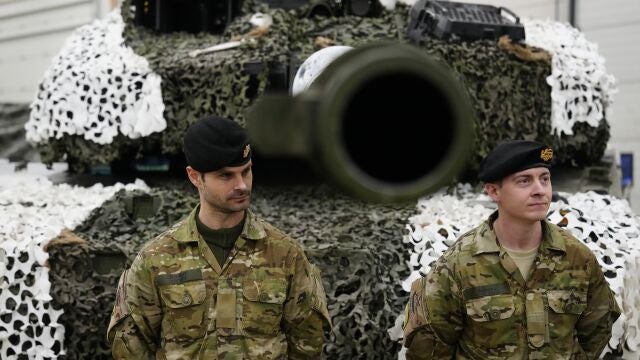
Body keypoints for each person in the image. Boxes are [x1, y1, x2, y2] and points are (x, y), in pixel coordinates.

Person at [107, 115, 331, 359]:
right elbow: (131, 345)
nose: (242, 185)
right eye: (226, 176)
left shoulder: (285, 254)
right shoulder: (155, 259)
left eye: (246, 172)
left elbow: (307, 342)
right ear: (195, 177)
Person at [403, 140, 621, 359]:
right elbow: (429, 348)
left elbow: (596, 331)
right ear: (493, 191)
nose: (540, 190)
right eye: (524, 181)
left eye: (544, 179)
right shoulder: (457, 264)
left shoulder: (578, 257)